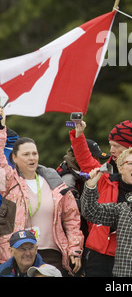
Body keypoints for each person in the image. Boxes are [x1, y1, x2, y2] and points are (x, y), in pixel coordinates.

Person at [0, 109, 84, 276]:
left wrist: (74, 249)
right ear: (14, 158)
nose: (32, 158)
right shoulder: (9, 181)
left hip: (52, 254)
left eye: (34, 153)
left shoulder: (54, 182)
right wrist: (1, 128)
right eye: (26, 154)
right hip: (19, 254)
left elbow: (72, 218)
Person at [80, 146, 132, 277]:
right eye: (131, 163)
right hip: (99, 254)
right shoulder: (107, 181)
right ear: (120, 168)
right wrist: (78, 134)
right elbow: (89, 211)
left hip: (129, 258)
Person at [56, 138, 110, 242]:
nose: (98, 162)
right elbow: (68, 209)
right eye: (94, 158)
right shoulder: (68, 178)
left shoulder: (77, 173)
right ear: (79, 157)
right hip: (72, 235)